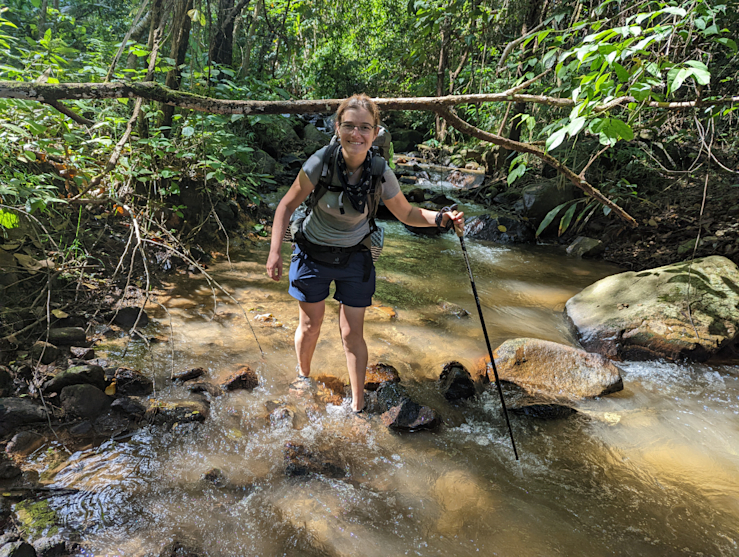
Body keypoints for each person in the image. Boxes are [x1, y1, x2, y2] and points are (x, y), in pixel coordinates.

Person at [266, 94, 464, 412]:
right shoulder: (320, 162)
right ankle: (303, 377)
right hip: (311, 253)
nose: (356, 134)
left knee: (351, 333)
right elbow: (286, 205)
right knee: (310, 324)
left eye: (364, 127)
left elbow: (406, 213)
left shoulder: (379, 170)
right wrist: (275, 252)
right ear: (337, 127)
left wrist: (441, 219)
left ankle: (357, 406)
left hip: (356, 256)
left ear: (375, 132)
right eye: (349, 126)